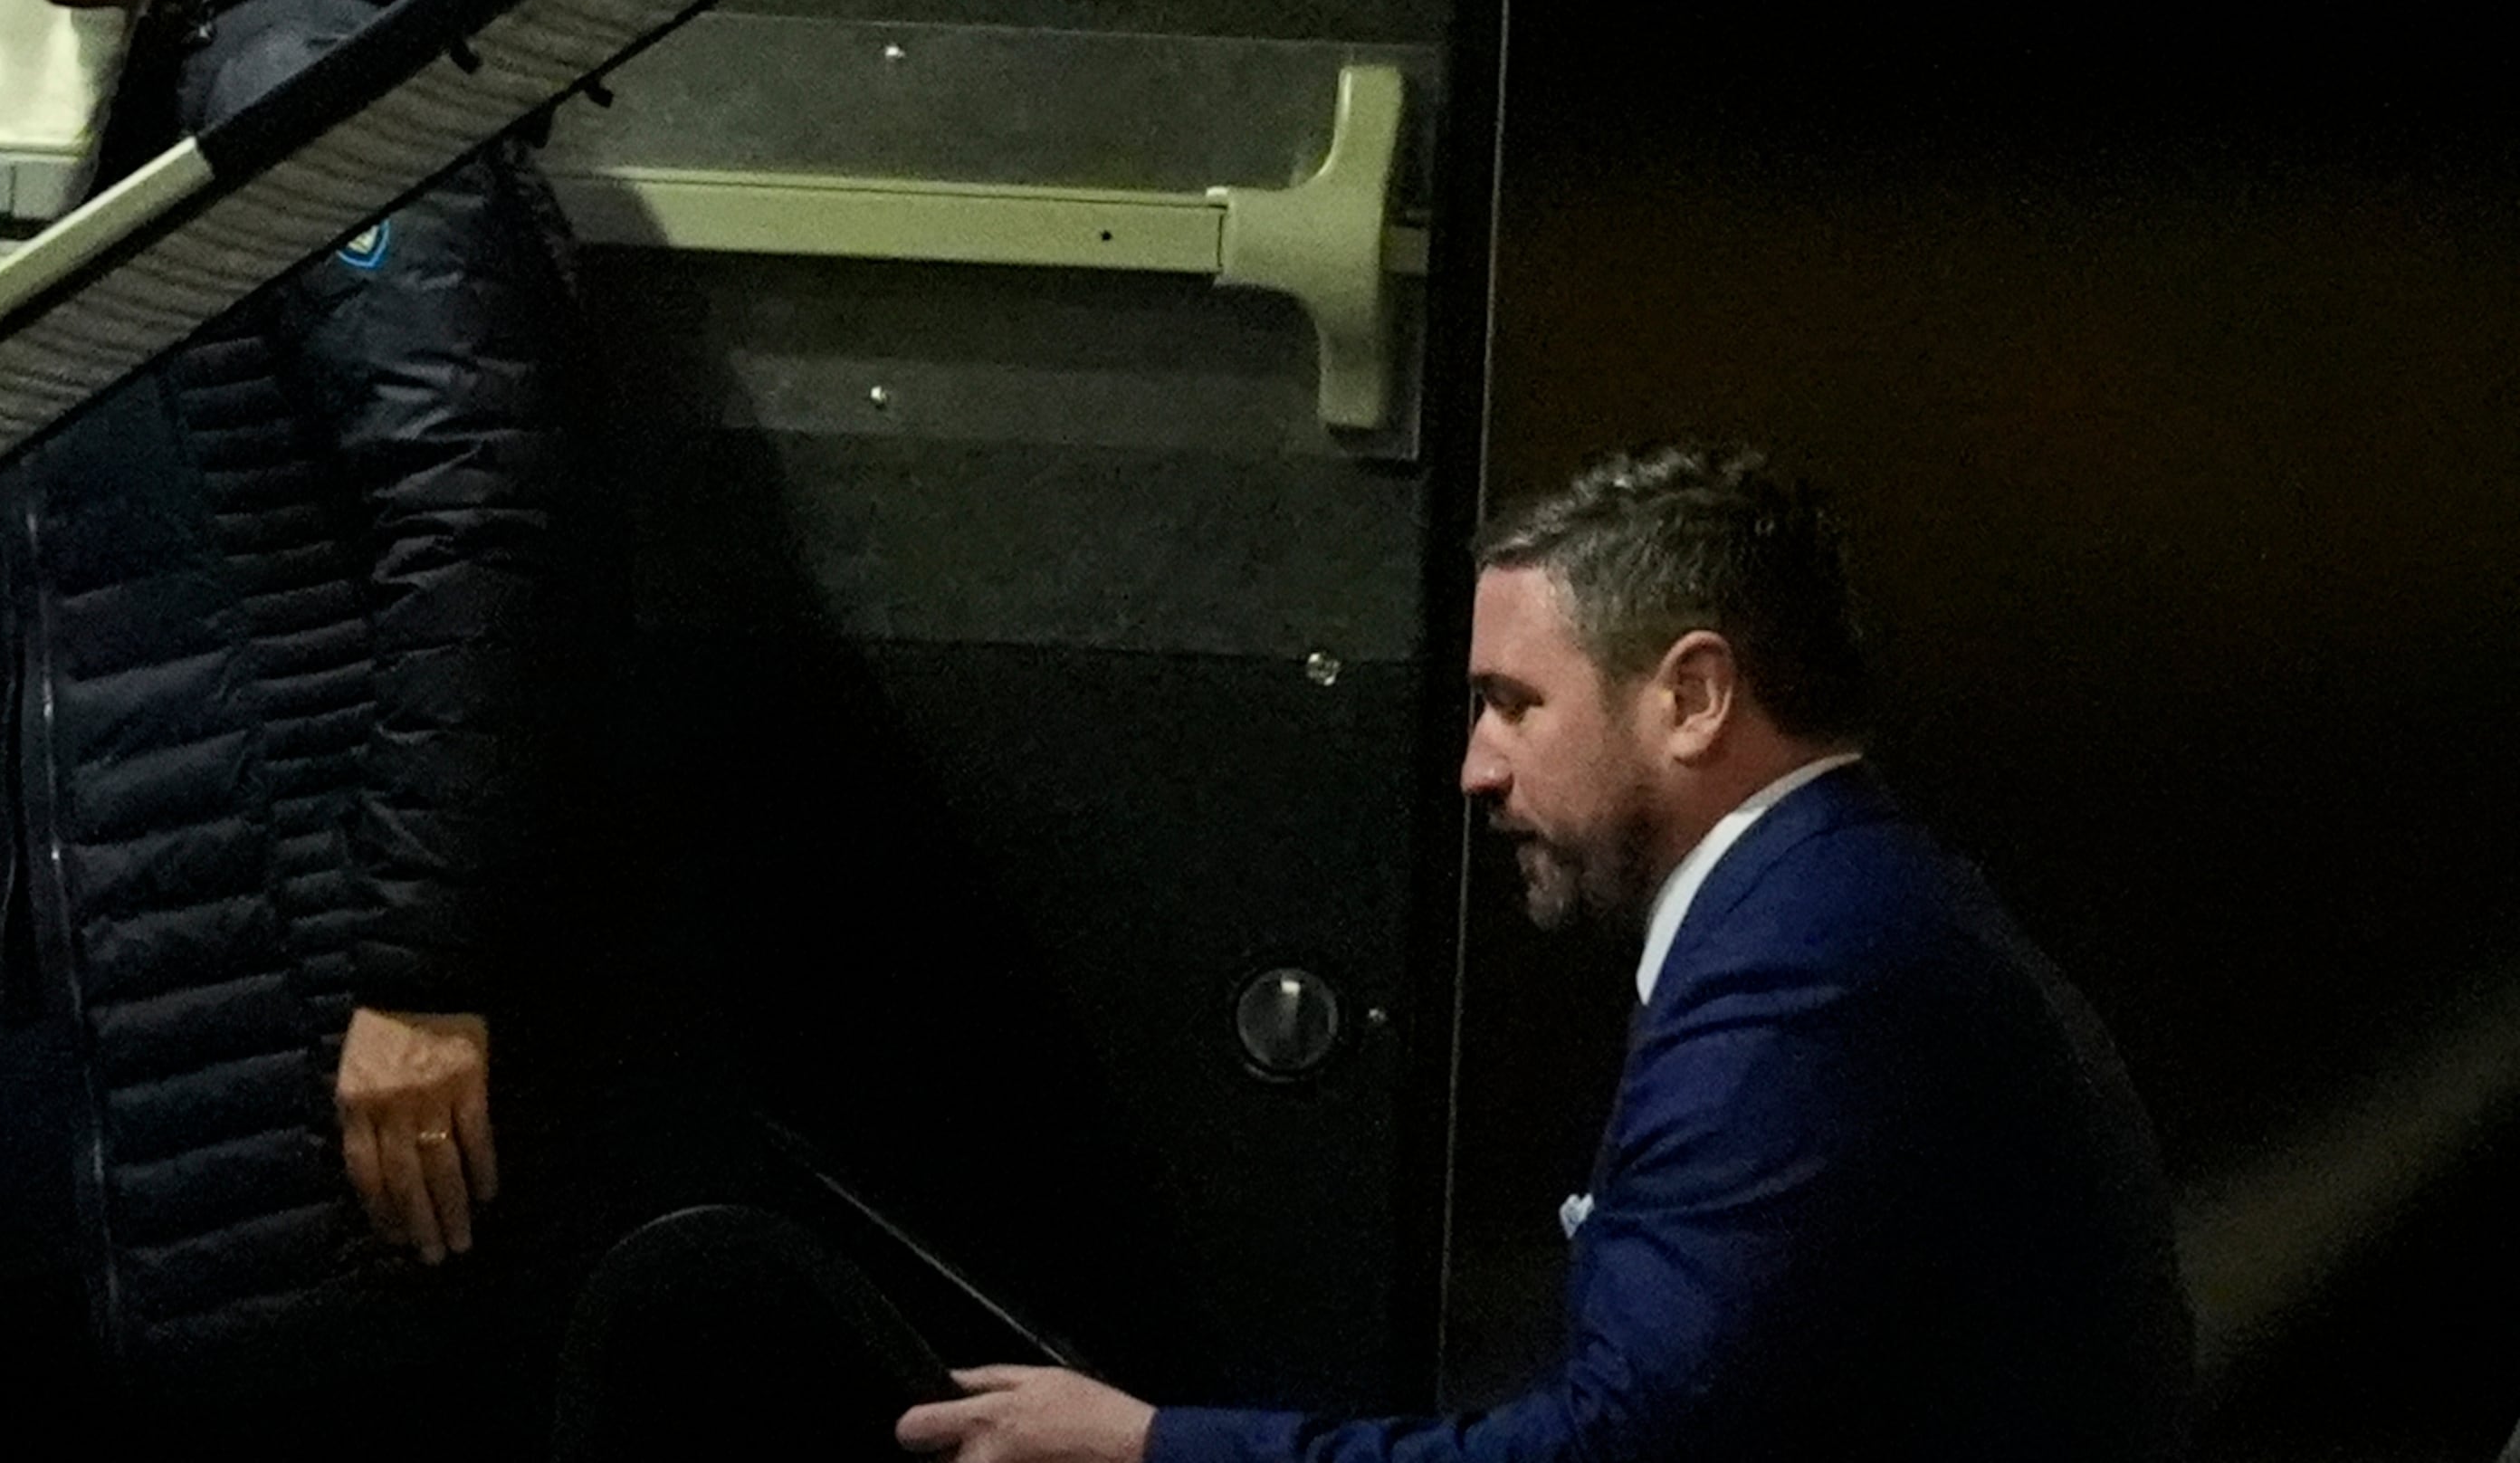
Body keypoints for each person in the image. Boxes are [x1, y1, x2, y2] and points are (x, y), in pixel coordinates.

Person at [0, 0, 611, 1457]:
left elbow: (475, 506)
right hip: (219, 1013)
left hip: (294, 1031)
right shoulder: (250, 53)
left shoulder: (309, 63)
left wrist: (418, 982)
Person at [897, 444, 2194, 1461]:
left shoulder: (1806, 970)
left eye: (1514, 704)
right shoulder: (1844, 908)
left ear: (1692, 698)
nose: (1476, 766)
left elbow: (1617, 1447)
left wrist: (1151, 1447)